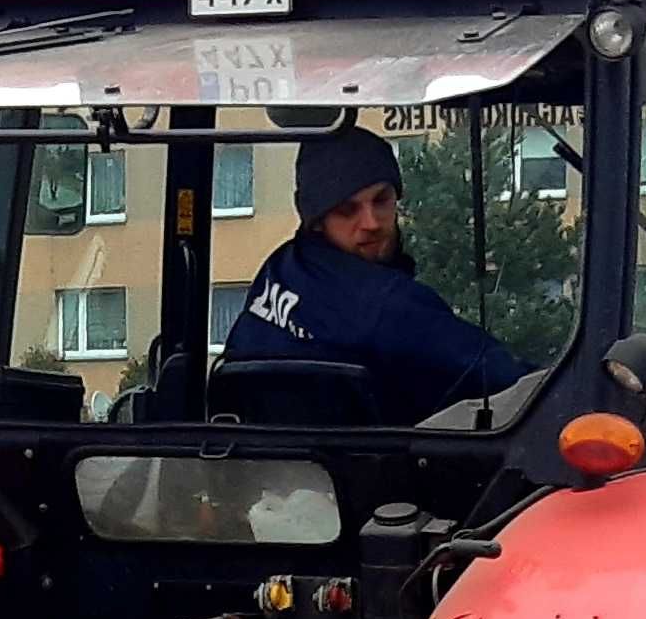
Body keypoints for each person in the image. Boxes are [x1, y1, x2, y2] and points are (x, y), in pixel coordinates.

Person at [219, 123, 524, 418]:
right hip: (361, 468)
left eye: (381, 200)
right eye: (347, 209)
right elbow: (513, 381)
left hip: (263, 466)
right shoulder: (389, 306)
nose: (372, 223)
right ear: (316, 218)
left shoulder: (280, 267)